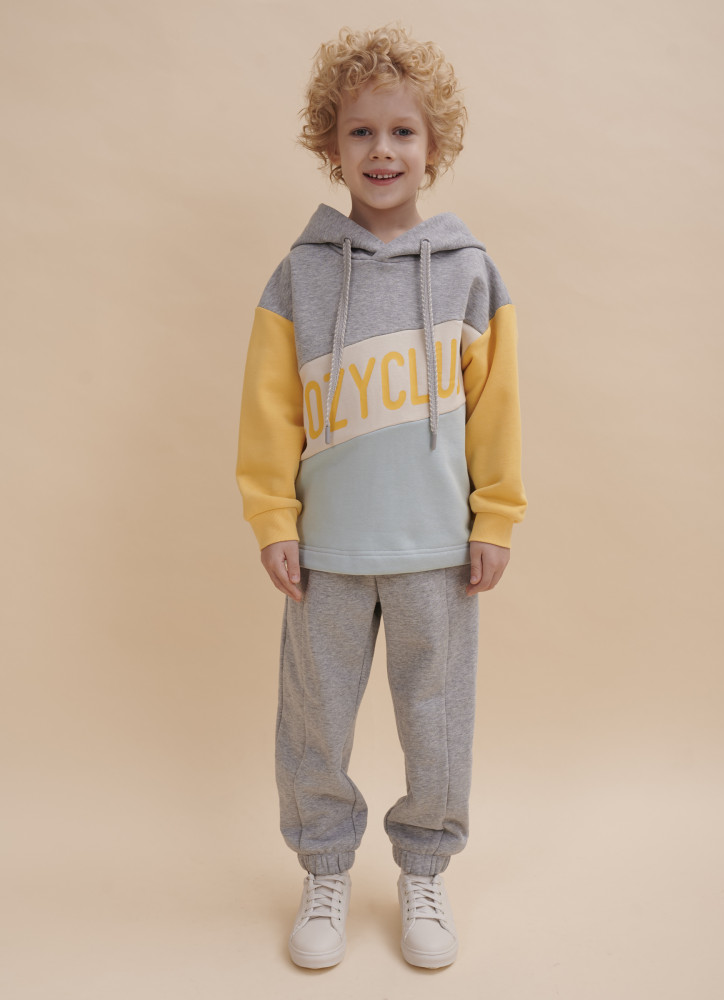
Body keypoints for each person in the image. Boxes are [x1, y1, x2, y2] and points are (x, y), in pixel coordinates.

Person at [236, 23, 527, 970]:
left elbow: (497, 409)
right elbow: (269, 411)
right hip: (325, 552)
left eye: (403, 131)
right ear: (331, 145)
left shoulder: (470, 272)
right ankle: (324, 870)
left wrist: (496, 517)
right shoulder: (301, 274)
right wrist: (274, 519)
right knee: (314, 722)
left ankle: (424, 872)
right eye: (360, 131)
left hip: (437, 550)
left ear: (433, 146)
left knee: (437, 723)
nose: (382, 150)